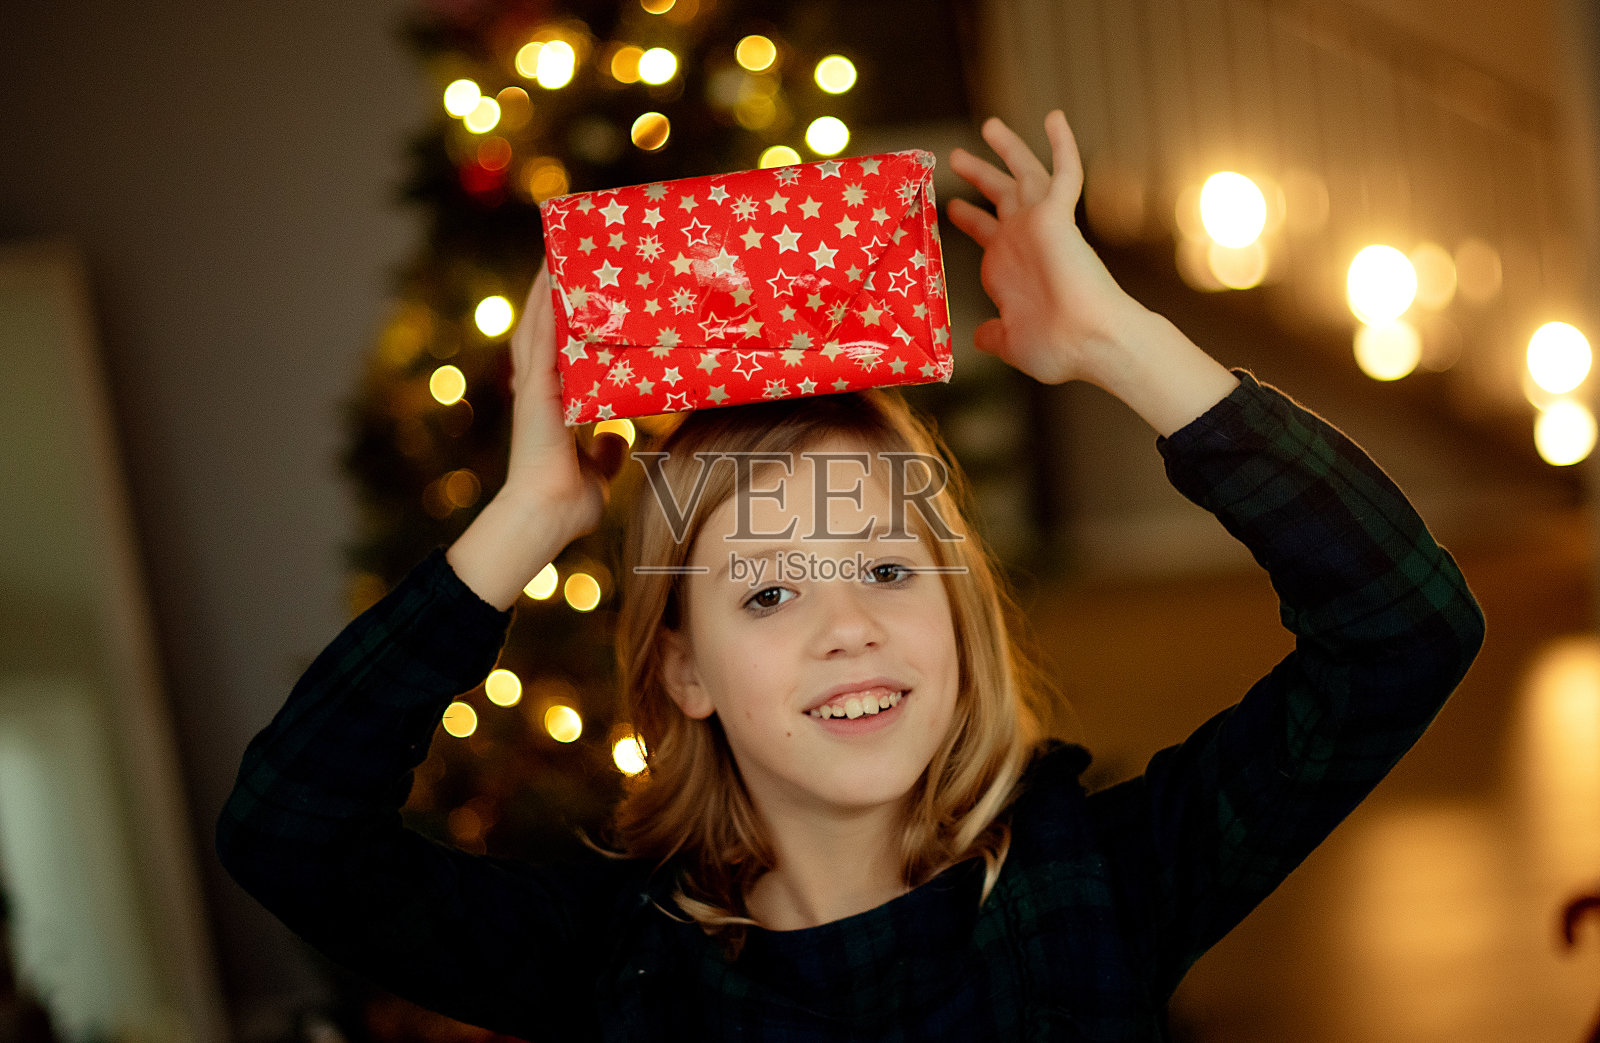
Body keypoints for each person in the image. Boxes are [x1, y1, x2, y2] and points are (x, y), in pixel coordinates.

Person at [217, 112, 1485, 1040]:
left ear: (956, 608)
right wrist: (531, 512)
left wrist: (1121, 343)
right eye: (768, 592)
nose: (846, 627)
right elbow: (289, 831)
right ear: (683, 666)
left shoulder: (1106, 879)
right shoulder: (606, 960)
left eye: (886, 564)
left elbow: (1402, 625)